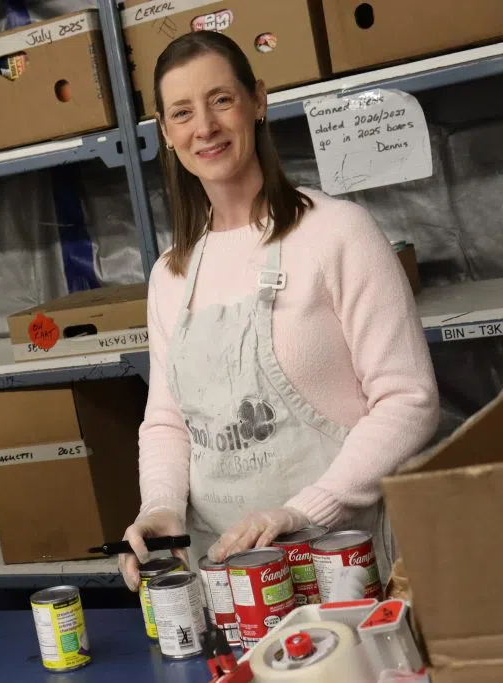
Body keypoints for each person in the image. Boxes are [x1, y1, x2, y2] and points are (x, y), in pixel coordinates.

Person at [119, 32, 439, 591]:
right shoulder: (171, 273)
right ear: (165, 133)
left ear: (258, 101)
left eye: (221, 100)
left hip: (341, 561)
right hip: (229, 578)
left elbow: (408, 400)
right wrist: (161, 509)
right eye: (182, 113)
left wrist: (304, 511)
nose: (205, 128)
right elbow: (169, 418)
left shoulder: (338, 233)